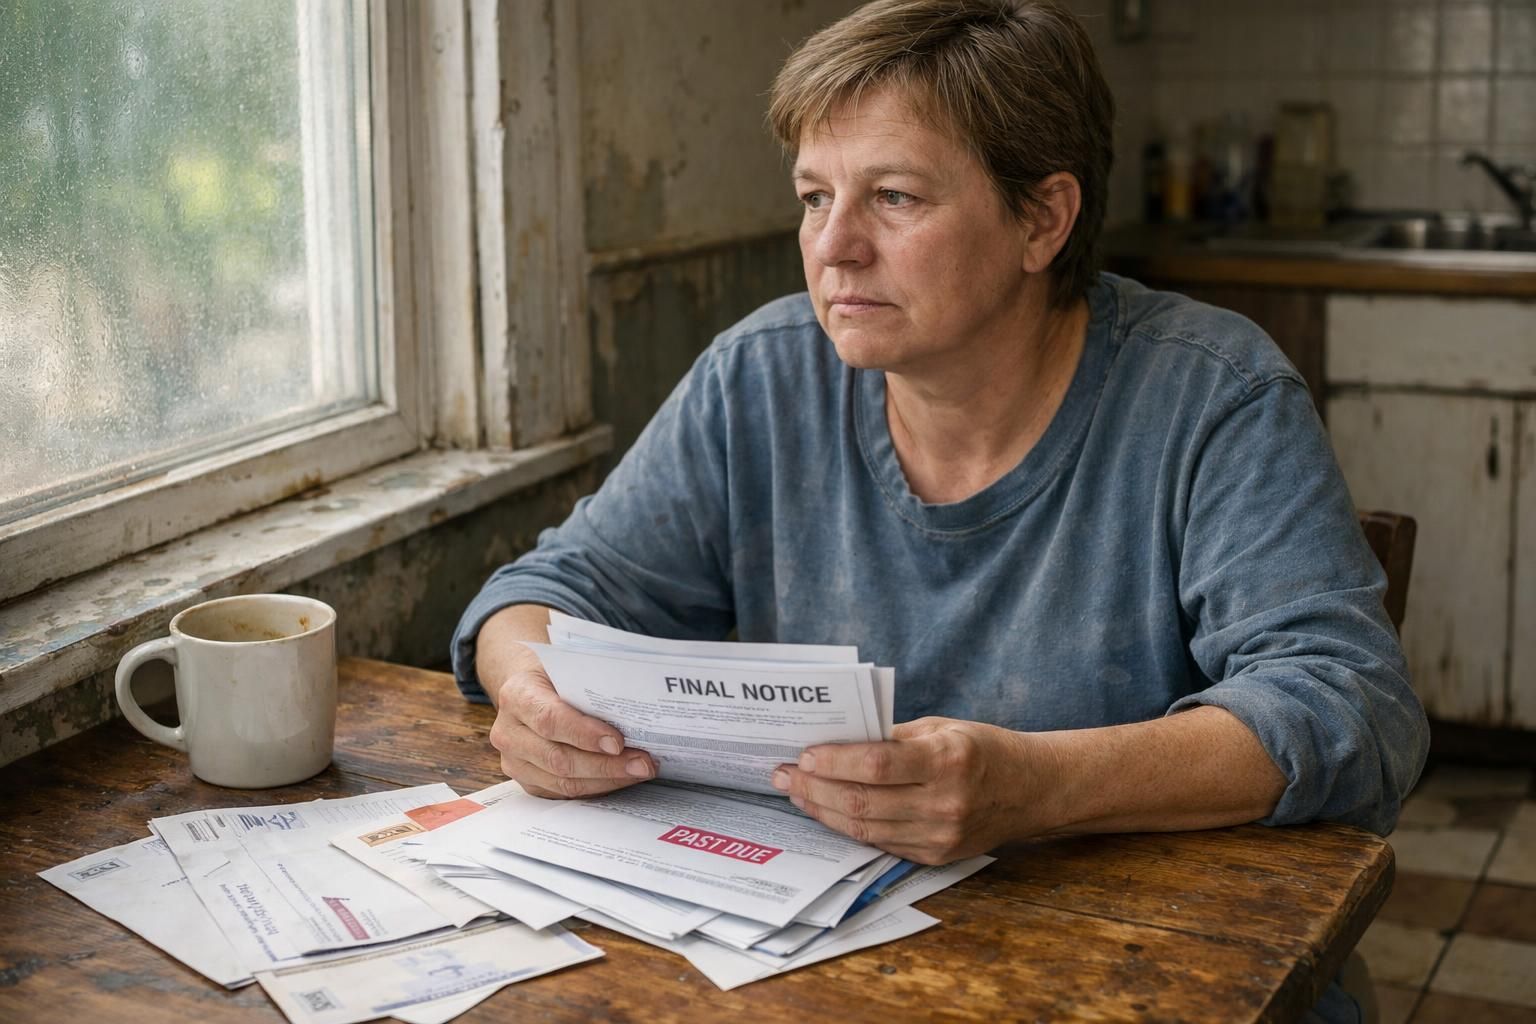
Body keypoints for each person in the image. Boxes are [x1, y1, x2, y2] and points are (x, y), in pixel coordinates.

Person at [452, 2, 1426, 1015]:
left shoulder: (1211, 393)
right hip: (843, 968)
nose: (834, 248)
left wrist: (1036, 785)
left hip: (1159, 973)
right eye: (814, 196)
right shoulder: (760, 377)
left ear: (1042, 219)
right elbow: (547, 592)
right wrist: (531, 692)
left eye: (895, 197)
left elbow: (1349, 706)